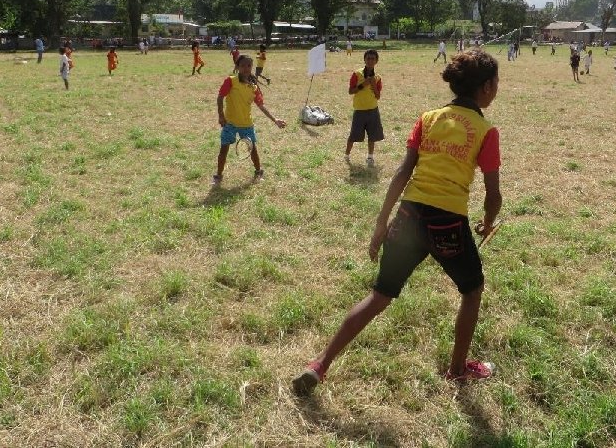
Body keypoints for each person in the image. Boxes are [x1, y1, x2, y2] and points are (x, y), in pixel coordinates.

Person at [292, 49, 503, 396]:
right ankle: (457, 369)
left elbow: (403, 171)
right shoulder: (485, 130)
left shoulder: (429, 117)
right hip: (447, 222)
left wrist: (381, 223)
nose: (497, 88)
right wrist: (488, 219)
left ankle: (319, 364)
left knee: (379, 296)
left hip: (408, 216)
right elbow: (493, 194)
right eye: (496, 83)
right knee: (472, 290)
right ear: (485, 88)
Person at [212, 55, 286, 186]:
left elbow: (261, 105)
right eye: (243, 66)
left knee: (253, 150)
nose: (246, 68)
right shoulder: (230, 81)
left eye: (249, 66)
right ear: (237, 67)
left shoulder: (254, 87)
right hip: (229, 123)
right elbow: (220, 98)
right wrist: (221, 116)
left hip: (246, 124)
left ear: (252, 67)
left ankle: (258, 171)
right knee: (223, 150)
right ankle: (218, 176)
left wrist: (275, 120)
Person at [345, 49, 384, 167]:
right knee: (354, 135)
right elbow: (350, 91)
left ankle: (370, 157)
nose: (370, 61)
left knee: (372, 135)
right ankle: (347, 155)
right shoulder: (357, 74)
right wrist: (363, 84)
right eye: (368, 58)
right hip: (359, 110)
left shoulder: (377, 78)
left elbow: (378, 96)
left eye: (373, 59)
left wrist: (372, 85)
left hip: (373, 110)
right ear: (364, 60)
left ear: (376, 61)